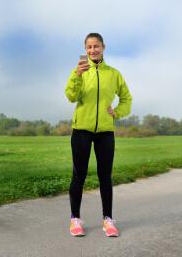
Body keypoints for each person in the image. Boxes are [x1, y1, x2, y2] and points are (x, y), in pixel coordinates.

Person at [64, 33, 132, 237]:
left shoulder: (114, 74)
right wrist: (77, 76)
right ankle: (75, 219)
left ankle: (108, 220)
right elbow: (70, 96)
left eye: (96, 46)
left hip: (105, 132)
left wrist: (117, 112)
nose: (92, 50)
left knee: (105, 176)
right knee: (79, 175)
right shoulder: (79, 71)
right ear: (85, 49)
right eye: (89, 47)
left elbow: (126, 98)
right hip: (81, 130)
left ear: (103, 47)